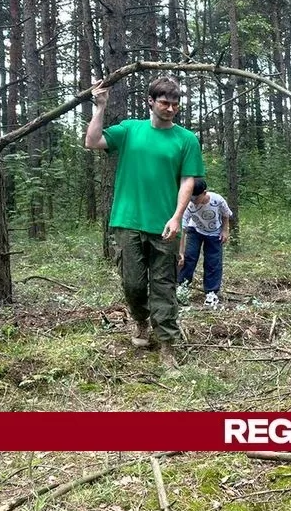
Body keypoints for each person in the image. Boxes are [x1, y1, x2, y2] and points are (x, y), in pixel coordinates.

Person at [85, 75, 205, 368]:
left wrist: (177, 217)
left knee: (164, 285)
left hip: (165, 224)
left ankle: (167, 345)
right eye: (165, 102)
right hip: (127, 220)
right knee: (133, 283)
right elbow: (92, 141)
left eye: (175, 104)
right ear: (150, 101)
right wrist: (100, 107)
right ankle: (140, 321)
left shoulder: (186, 139)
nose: (171, 108)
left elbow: (188, 181)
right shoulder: (129, 130)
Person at [178, 179, 233, 308]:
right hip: (195, 230)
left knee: (213, 261)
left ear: (204, 193)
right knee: (189, 257)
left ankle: (211, 292)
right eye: (190, 198)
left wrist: (225, 231)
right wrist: (180, 251)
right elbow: (182, 229)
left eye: (195, 198)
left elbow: (226, 215)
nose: (193, 201)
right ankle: (183, 286)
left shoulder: (217, 200)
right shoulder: (188, 204)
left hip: (214, 233)